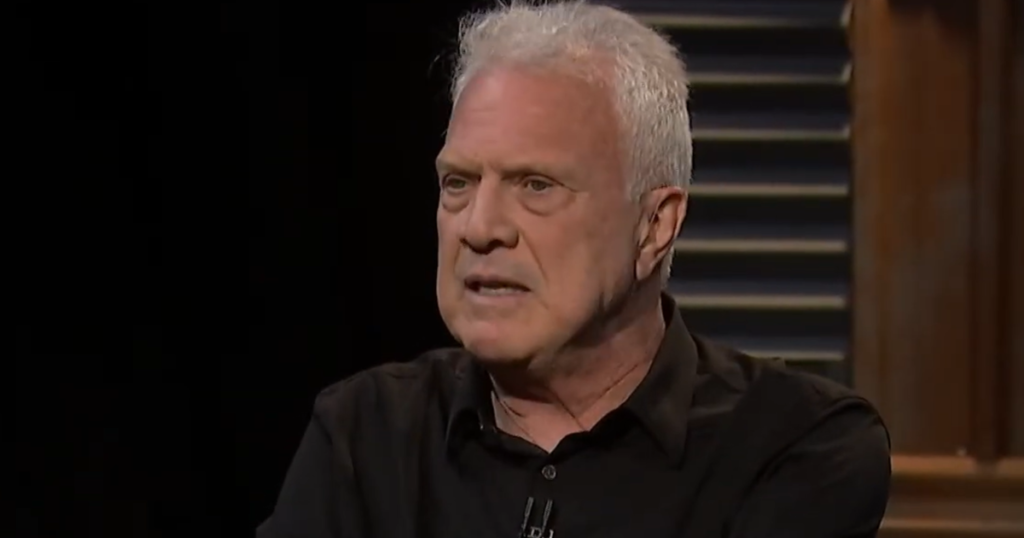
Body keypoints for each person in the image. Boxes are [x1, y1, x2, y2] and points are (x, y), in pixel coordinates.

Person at [256, 1, 891, 537]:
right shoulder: (365, 435)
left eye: (536, 185)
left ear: (655, 225)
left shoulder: (795, 446)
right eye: (458, 183)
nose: (479, 227)